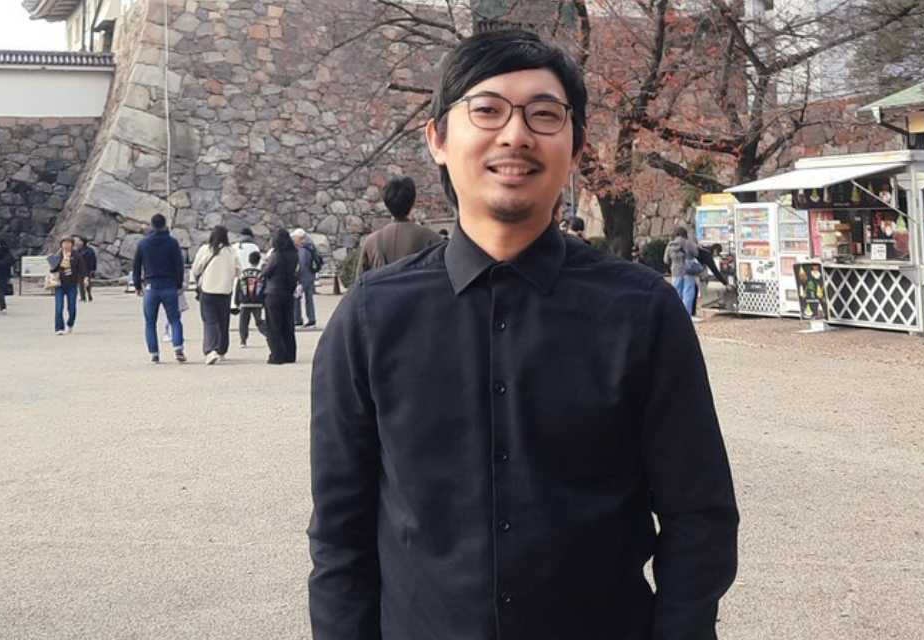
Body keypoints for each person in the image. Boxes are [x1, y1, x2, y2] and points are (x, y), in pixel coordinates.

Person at [309, 29, 737, 640]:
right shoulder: (371, 317)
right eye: (487, 110)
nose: (515, 135)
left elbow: (699, 516)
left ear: (576, 145)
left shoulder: (642, 312)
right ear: (437, 139)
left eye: (544, 114)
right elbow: (339, 535)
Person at [359, 176, 443, 275]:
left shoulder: (371, 242)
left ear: (386, 203)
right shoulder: (433, 239)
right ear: (412, 202)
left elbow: (360, 281)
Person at [132, 213, 187, 364]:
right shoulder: (172, 243)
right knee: (174, 319)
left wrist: (137, 285)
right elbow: (179, 265)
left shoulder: (143, 243)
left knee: (150, 322)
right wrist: (179, 284)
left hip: (151, 286)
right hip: (169, 285)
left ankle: (154, 353)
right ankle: (178, 347)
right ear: (164, 225)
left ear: (151, 225)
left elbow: (136, 266)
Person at [191, 225, 240, 365]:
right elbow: (238, 271)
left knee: (210, 321)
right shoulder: (231, 251)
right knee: (224, 322)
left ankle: (211, 350)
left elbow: (196, 269)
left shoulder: (205, 249)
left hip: (208, 290)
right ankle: (222, 349)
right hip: (225, 291)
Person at [261, 228, 298, 364]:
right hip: (288, 292)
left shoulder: (276, 255)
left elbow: (266, 272)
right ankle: (290, 354)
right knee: (288, 325)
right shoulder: (294, 254)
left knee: (274, 326)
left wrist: (264, 265)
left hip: (274, 292)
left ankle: (277, 355)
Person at [47, 237, 88, 335]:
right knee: (59, 307)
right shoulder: (58, 255)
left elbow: (82, 269)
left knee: (72, 307)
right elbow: (52, 270)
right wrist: (53, 262)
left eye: (68, 243)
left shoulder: (76, 256)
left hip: (72, 284)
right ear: (61, 245)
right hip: (59, 284)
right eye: (64, 243)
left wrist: (85, 278)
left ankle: (70, 323)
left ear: (72, 245)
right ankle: (59, 328)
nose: (66, 245)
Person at [664, 226, 701, 317]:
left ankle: (676, 314)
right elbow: (696, 253)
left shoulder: (670, 245)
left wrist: (673, 262)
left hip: (675, 271)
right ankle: (686, 315)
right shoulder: (688, 243)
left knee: (676, 293)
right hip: (688, 270)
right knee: (688, 292)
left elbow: (665, 260)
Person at [235, 249, 266, 347]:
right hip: (257, 302)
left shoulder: (243, 273)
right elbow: (264, 288)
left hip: (245, 302)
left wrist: (237, 301)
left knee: (243, 322)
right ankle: (269, 335)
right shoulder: (261, 274)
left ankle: (243, 341)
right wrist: (264, 301)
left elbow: (238, 288)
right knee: (259, 321)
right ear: (259, 261)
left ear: (249, 260)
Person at [291, 228, 321, 328]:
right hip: (310, 276)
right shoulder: (310, 247)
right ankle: (311, 320)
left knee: (296, 297)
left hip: (303, 278)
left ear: (299, 238)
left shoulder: (303, 249)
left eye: (294, 238)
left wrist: (297, 276)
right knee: (309, 298)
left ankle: (298, 320)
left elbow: (302, 264)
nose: (293, 240)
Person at [75, 236, 98, 302]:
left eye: (79, 241)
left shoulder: (89, 251)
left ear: (82, 242)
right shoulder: (78, 250)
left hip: (87, 268)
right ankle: (83, 296)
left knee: (86, 282)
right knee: (81, 283)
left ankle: (88, 294)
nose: (78, 242)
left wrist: (93, 269)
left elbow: (93, 260)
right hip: (80, 269)